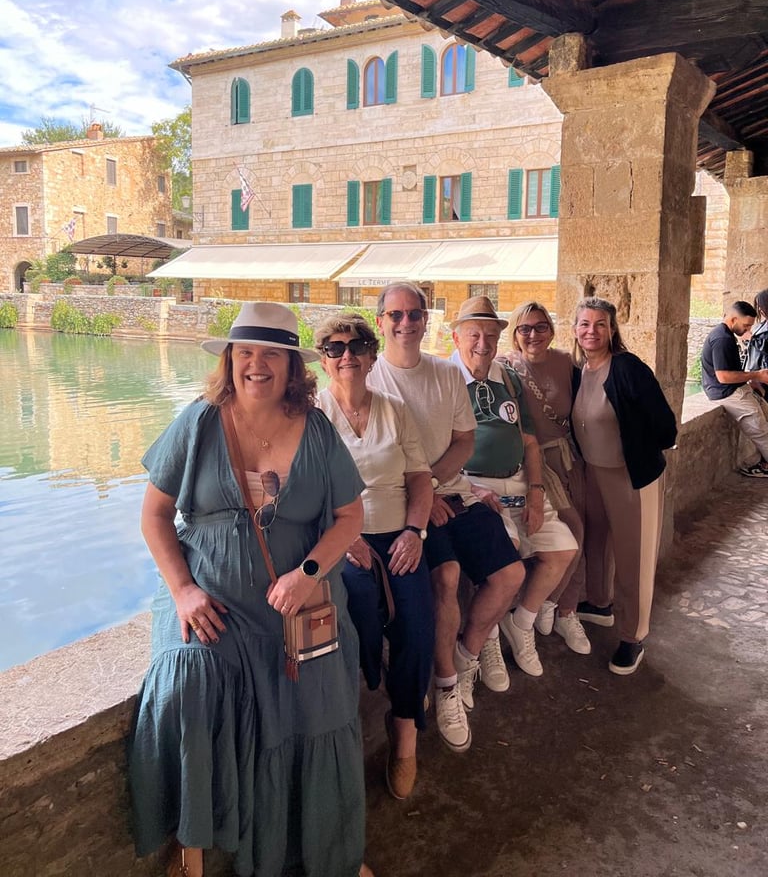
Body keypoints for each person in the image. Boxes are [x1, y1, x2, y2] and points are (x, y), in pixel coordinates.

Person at [128, 302, 374, 877]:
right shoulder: (198, 422)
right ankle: (191, 846)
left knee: (318, 699)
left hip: (296, 600)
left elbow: (348, 518)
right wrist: (184, 591)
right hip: (208, 595)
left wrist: (307, 575)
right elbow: (154, 518)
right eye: (245, 352)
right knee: (189, 684)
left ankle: (326, 851)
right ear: (230, 360)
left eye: (270, 354)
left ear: (292, 366)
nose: (256, 365)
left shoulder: (315, 430)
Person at [368, 282, 524, 754]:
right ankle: (447, 684)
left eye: (414, 314)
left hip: (452, 493)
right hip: (407, 507)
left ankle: (468, 650)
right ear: (381, 322)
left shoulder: (443, 375)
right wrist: (419, 496)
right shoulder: (368, 376)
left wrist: (432, 484)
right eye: (395, 315)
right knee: (447, 577)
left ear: (426, 320)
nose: (406, 323)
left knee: (511, 572)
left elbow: (463, 442)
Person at [315, 313, 434, 800]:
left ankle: (404, 726)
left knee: (418, 622)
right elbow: (308, 492)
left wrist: (415, 531)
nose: (348, 355)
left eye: (358, 345)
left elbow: (420, 478)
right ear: (324, 360)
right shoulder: (314, 415)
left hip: (398, 533)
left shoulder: (394, 408)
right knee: (358, 594)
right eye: (335, 347)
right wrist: (344, 537)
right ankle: (370, 673)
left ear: (371, 355)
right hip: (343, 538)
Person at [449, 297, 579, 677]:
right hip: (474, 486)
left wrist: (536, 493)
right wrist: (467, 488)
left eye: (490, 335)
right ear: (456, 338)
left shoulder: (507, 378)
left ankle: (520, 624)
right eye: (474, 334)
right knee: (500, 566)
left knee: (562, 549)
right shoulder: (444, 380)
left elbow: (530, 441)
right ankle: (485, 642)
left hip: (519, 480)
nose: (483, 344)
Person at [571, 296, 677, 676]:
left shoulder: (628, 368)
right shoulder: (580, 371)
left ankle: (633, 636)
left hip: (631, 476)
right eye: (585, 324)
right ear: (575, 329)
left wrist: (637, 449)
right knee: (595, 541)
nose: (592, 331)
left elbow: (665, 426)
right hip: (593, 472)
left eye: (600, 324)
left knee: (634, 557)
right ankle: (600, 603)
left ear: (612, 329)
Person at [506, 300, 590, 655]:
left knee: (583, 533)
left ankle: (563, 609)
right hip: (536, 462)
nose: (533, 335)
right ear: (514, 334)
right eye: (524, 328)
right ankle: (547, 606)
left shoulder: (566, 363)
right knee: (573, 531)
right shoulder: (505, 367)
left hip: (568, 456)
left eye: (540, 327)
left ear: (551, 330)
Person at [700, 300, 768, 478]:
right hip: (725, 393)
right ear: (733, 319)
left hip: (734, 389)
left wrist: (751, 380)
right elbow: (723, 377)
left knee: (765, 419)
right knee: (761, 430)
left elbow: (731, 371)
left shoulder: (726, 335)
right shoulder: (722, 339)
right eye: (746, 325)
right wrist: (757, 375)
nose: (747, 330)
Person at [745, 289, 768, 383]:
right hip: (756, 373)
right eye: (758, 306)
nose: (759, 309)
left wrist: (751, 339)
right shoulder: (760, 325)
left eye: (761, 306)